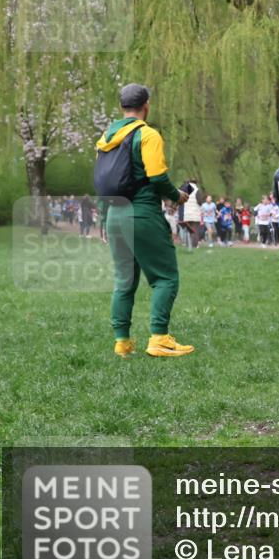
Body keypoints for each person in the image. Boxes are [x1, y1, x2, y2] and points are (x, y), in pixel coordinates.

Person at [95, 83, 194, 358]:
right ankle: (159, 337)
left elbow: (105, 182)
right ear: (146, 105)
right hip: (141, 213)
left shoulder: (105, 138)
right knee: (165, 278)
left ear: (121, 107)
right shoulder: (147, 135)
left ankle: (122, 342)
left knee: (124, 281)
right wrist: (177, 196)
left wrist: (104, 220)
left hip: (115, 214)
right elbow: (157, 177)